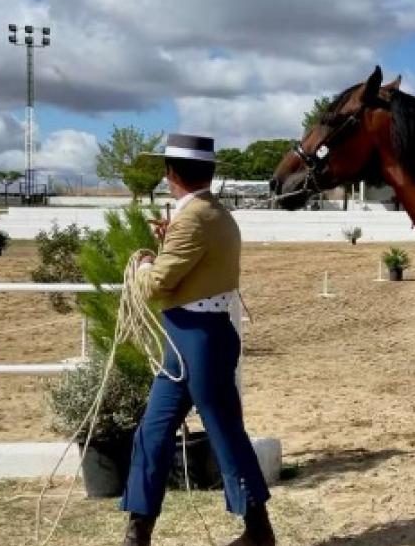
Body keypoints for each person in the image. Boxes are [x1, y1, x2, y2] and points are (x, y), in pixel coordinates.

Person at [120, 133, 274, 546]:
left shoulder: (192, 219)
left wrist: (143, 264)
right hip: (192, 339)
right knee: (156, 430)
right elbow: (193, 264)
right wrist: (167, 242)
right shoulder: (214, 214)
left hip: (195, 339)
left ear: (171, 173)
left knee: (220, 431)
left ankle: (257, 530)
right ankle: (139, 530)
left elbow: (158, 284)